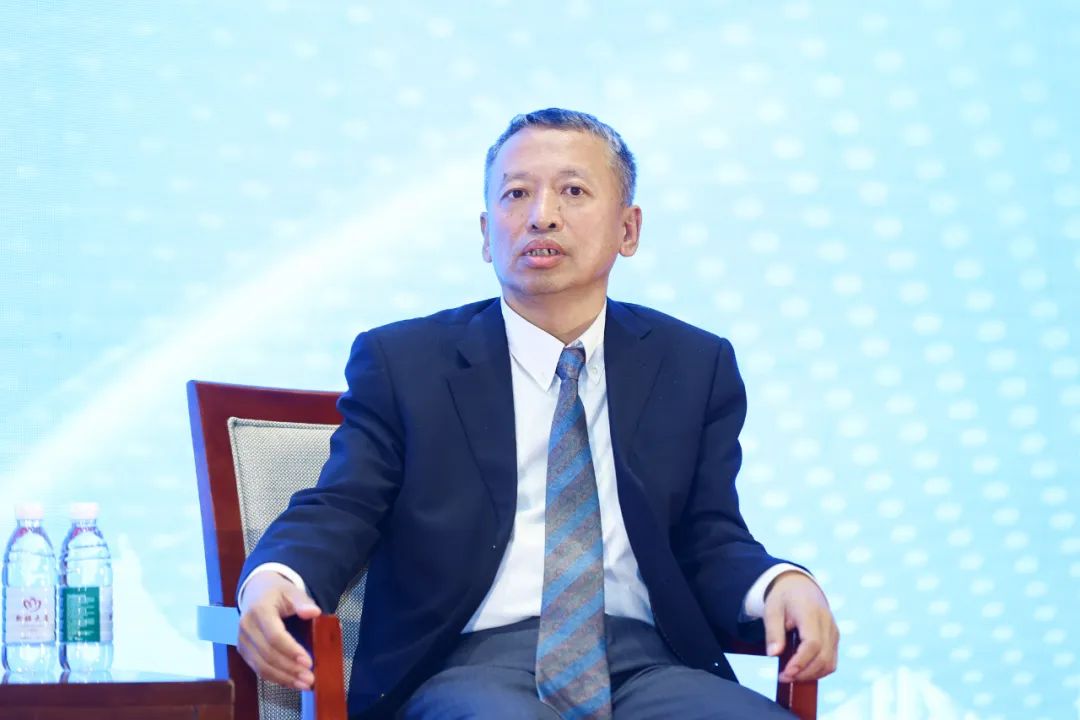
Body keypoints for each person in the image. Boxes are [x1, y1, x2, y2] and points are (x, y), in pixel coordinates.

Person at [237, 108, 839, 719]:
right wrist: (276, 577)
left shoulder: (693, 364)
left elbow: (710, 535)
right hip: (466, 668)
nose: (541, 215)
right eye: (516, 193)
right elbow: (343, 505)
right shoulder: (406, 362)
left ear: (628, 229)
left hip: (648, 667)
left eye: (573, 191)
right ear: (485, 233)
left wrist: (780, 583)